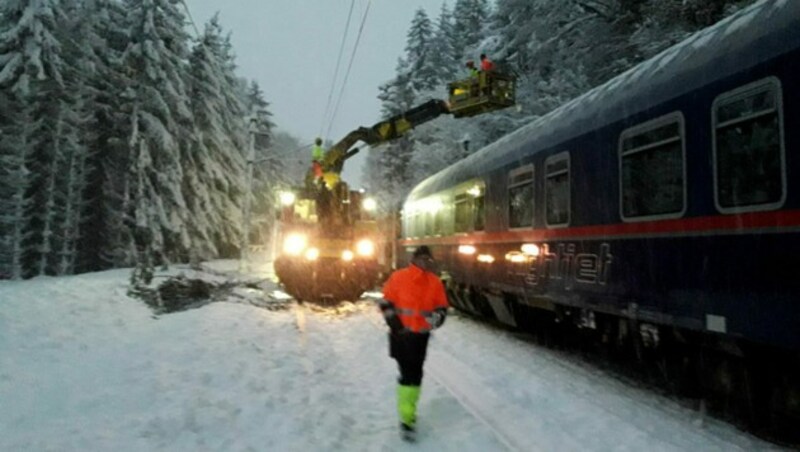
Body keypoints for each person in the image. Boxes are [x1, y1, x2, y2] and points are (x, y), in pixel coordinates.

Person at [377, 245, 449, 440]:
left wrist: (433, 323)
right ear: (414, 259)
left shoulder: (434, 282)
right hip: (401, 336)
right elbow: (385, 303)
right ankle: (406, 419)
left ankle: (409, 413)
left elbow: (442, 309)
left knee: (416, 374)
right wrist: (395, 324)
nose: (425, 262)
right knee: (408, 374)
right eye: (422, 259)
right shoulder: (399, 277)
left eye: (428, 259)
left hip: (420, 339)